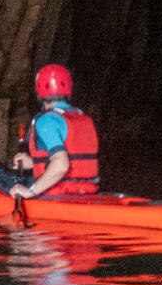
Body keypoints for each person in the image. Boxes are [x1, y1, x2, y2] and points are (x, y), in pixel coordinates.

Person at [5, 64, 100, 199]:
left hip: (57, 193)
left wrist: (30, 192)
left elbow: (61, 164)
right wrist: (33, 163)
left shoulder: (46, 121)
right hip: (87, 191)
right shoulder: (83, 118)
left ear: (39, 91)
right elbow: (74, 159)